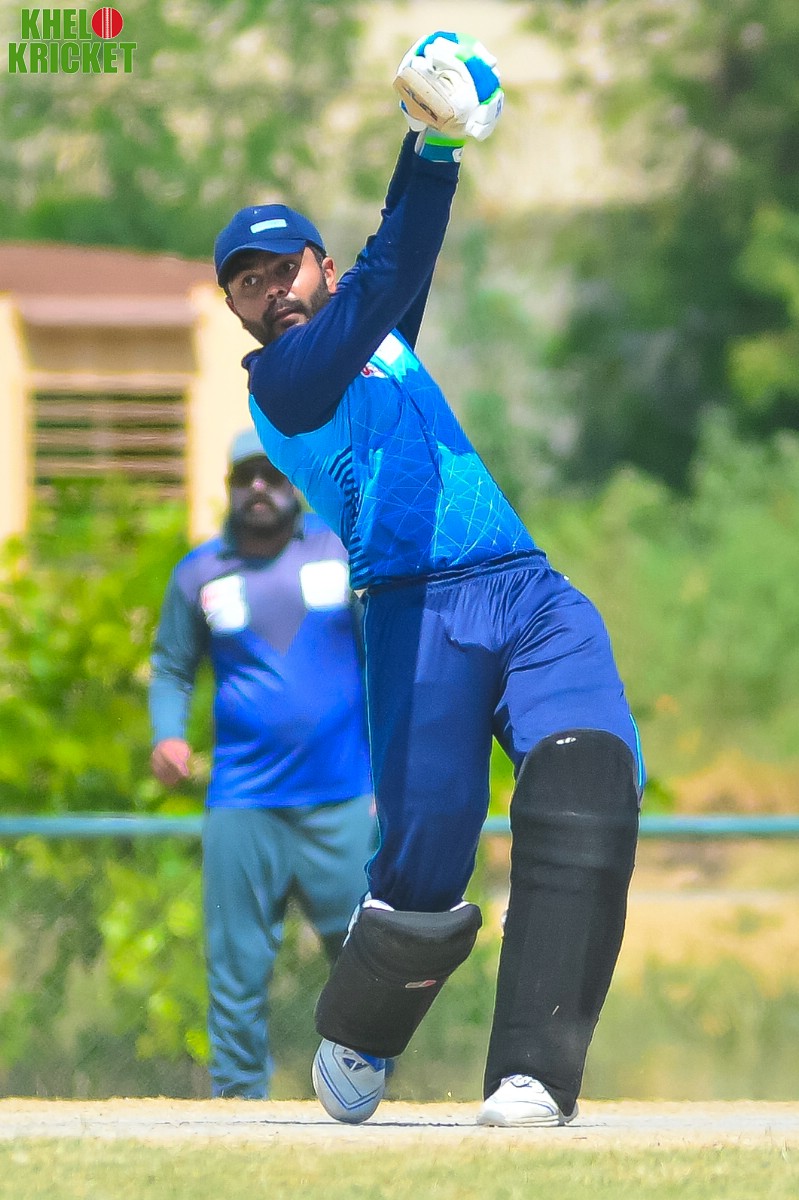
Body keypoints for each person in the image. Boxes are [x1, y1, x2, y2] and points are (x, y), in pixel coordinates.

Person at [212, 31, 644, 1127]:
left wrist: (429, 144)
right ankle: (360, 1033)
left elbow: (400, 259)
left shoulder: (372, 333)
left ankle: (533, 1076)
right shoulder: (285, 384)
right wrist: (435, 144)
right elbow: (389, 273)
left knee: (588, 782)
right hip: (418, 613)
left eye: (283, 268)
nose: (269, 292)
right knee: (424, 866)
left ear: (322, 267)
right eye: (246, 285)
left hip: (526, 590)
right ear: (238, 316)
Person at [149, 427, 374, 1100]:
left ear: (291, 483)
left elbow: (385, 661)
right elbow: (171, 667)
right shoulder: (199, 572)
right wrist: (167, 735)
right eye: (245, 476)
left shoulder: (340, 552)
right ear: (228, 487)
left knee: (364, 960)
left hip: (342, 798)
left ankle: (363, 1092)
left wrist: (390, 774)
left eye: (271, 475)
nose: (258, 488)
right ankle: (238, 1101)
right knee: (237, 964)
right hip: (243, 802)